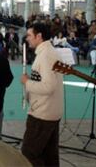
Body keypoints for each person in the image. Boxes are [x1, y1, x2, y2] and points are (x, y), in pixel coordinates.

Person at [21, 22, 63, 166]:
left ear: (39, 36)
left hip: (42, 113)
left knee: (29, 153)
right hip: (49, 111)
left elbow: (48, 86)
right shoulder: (48, 52)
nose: (27, 38)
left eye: (29, 35)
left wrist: (27, 82)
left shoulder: (46, 55)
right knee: (49, 155)